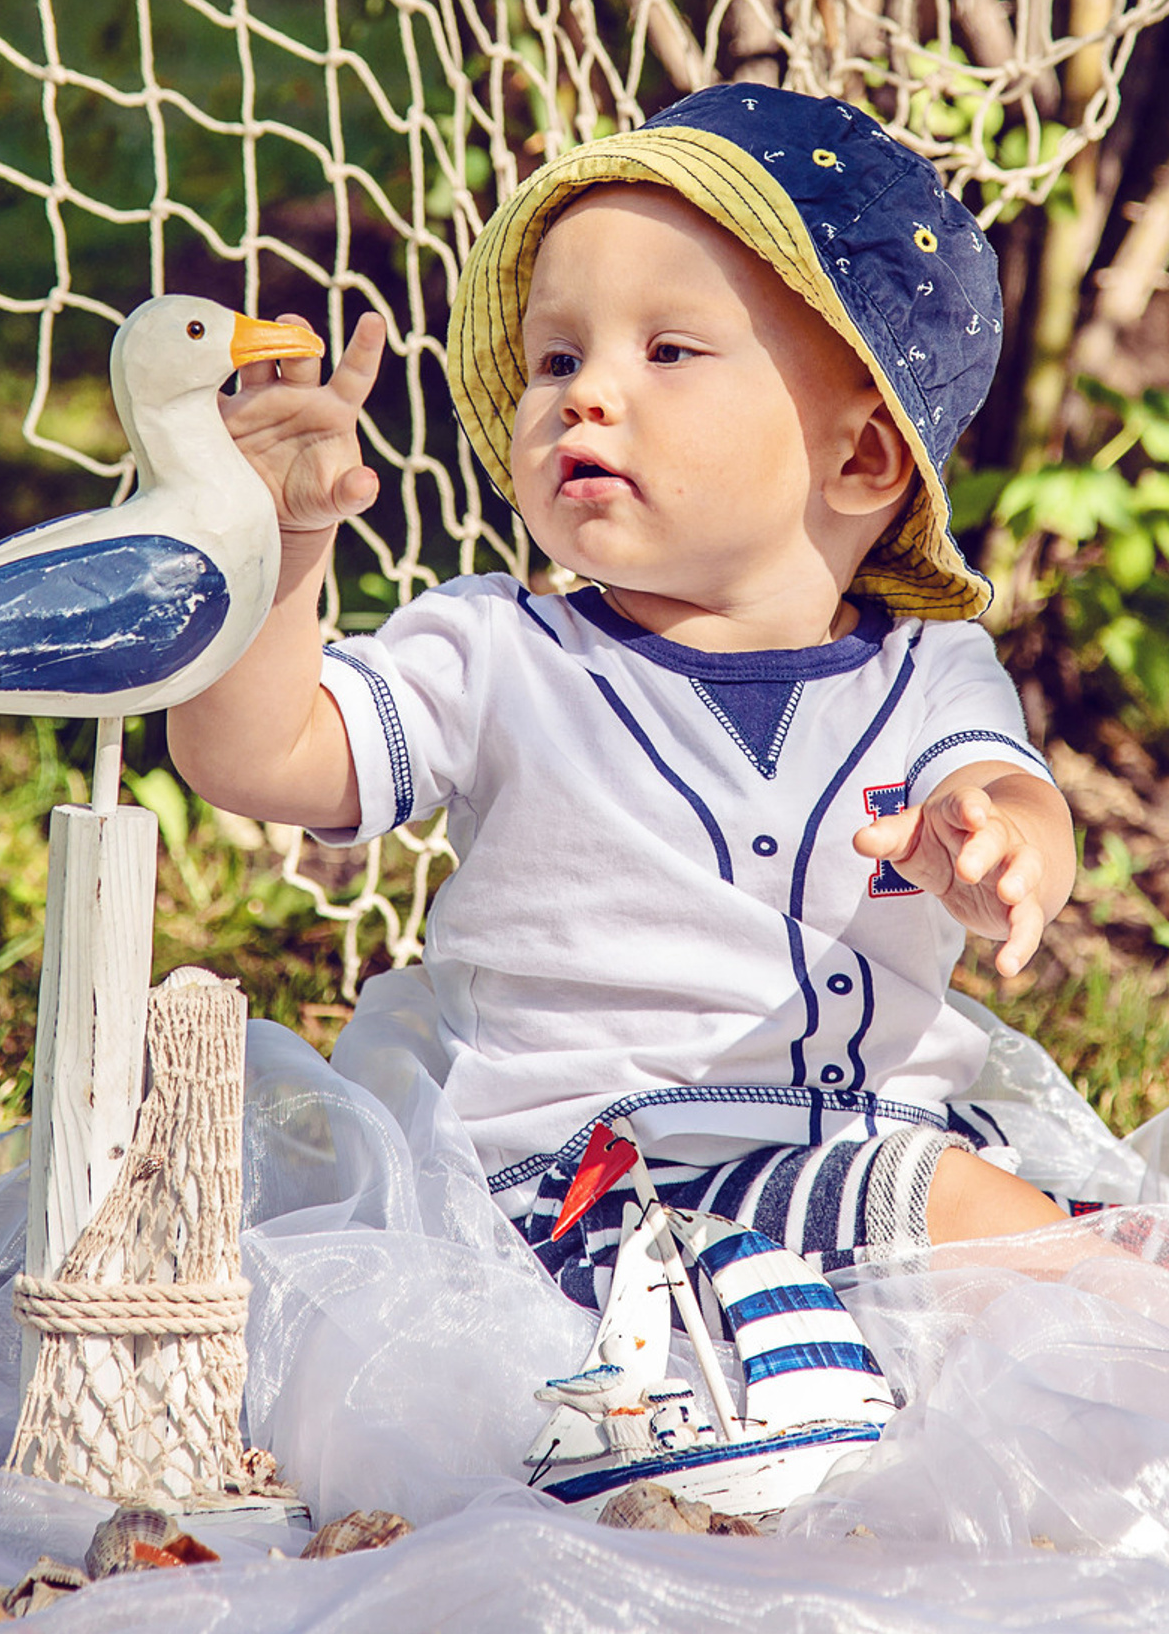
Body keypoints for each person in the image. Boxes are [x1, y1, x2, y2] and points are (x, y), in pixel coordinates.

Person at [166, 85, 1080, 1305]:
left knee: (1002, 1253)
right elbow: (257, 757)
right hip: (597, 1194)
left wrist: (1002, 845)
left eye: (666, 351)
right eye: (557, 357)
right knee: (982, 1233)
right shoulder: (502, 654)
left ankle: (1152, 1326)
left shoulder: (925, 666)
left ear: (860, 456)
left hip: (862, 1160)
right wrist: (273, 545)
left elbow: (1006, 789)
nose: (583, 394)